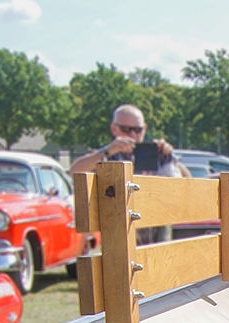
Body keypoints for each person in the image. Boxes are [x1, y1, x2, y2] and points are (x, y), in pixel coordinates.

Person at [69, 104, 190, 243]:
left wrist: (171, 158)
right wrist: (107, 151)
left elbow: (188, 182)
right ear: (114, 129)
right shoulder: (107, 156)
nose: (132, 135)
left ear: (144, 129)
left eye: (137, 130)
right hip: (120, 239)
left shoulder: (157, 154)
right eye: (126, 129)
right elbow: (74, 172)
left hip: (157, 238)